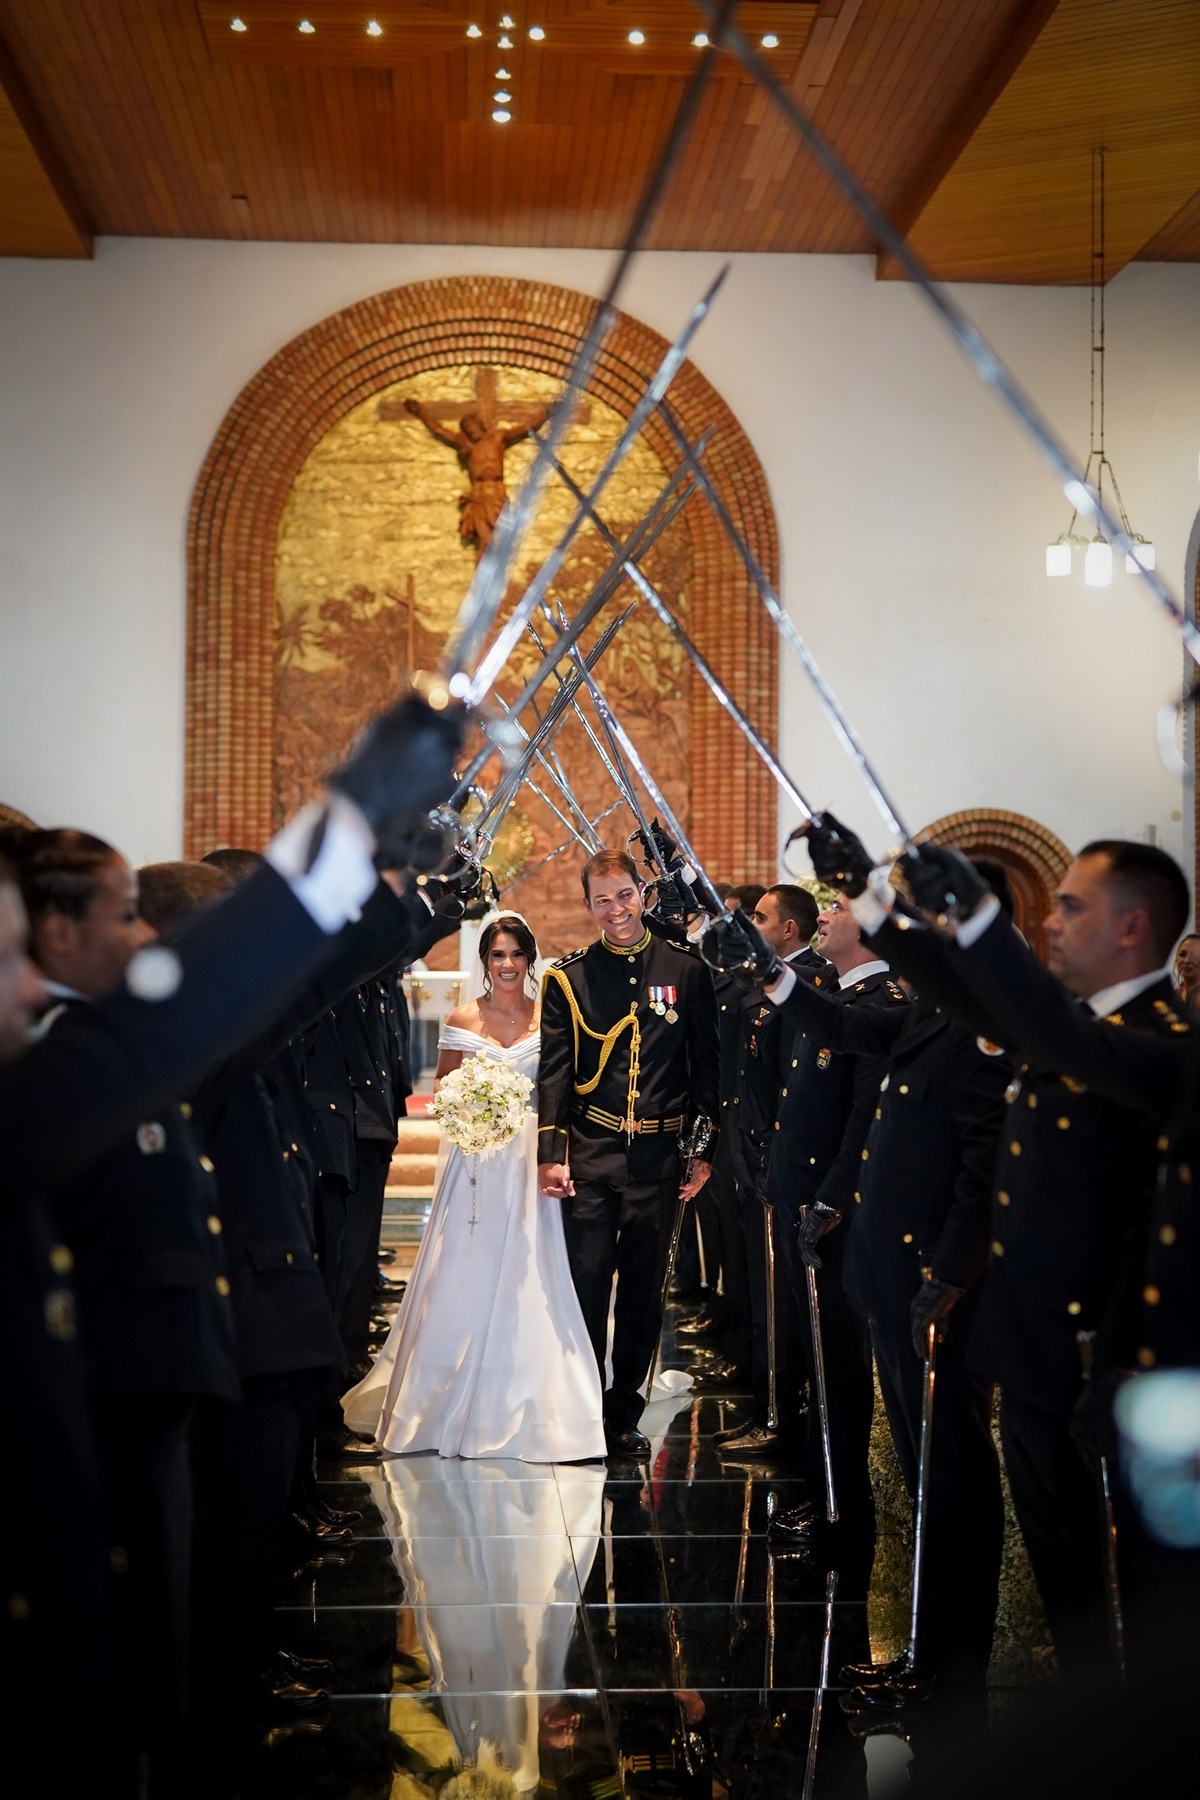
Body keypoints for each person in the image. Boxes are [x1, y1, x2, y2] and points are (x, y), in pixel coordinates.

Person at [344, 913, 606, 1463]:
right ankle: (442, 1395)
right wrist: (473, 1106)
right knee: (467, 1263)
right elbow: (442, 1084)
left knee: (532, 1268)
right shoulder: (464, 1016)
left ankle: (534, 1394)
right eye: (497, 956)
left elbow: (560, 1088)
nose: (507, 965)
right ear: (485, 963)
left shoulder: (548, 1015)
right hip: (478, 1159)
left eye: (515, 955)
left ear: (531, 959)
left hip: (530, 1156)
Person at [537, 849, 720, 1458]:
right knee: (586, 1286)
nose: (615, 909)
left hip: (660, 1159)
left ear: (643, 893)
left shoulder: (686, 970)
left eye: (624, 895)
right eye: (601, 899)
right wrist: (551, 1151)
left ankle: (623, 1415)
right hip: (591, 1154)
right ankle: (586, 1407)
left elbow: (706, 1069)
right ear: (588, 905)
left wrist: (702, 1148)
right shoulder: (570, 977)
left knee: (644, 1293)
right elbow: (556, 1072)